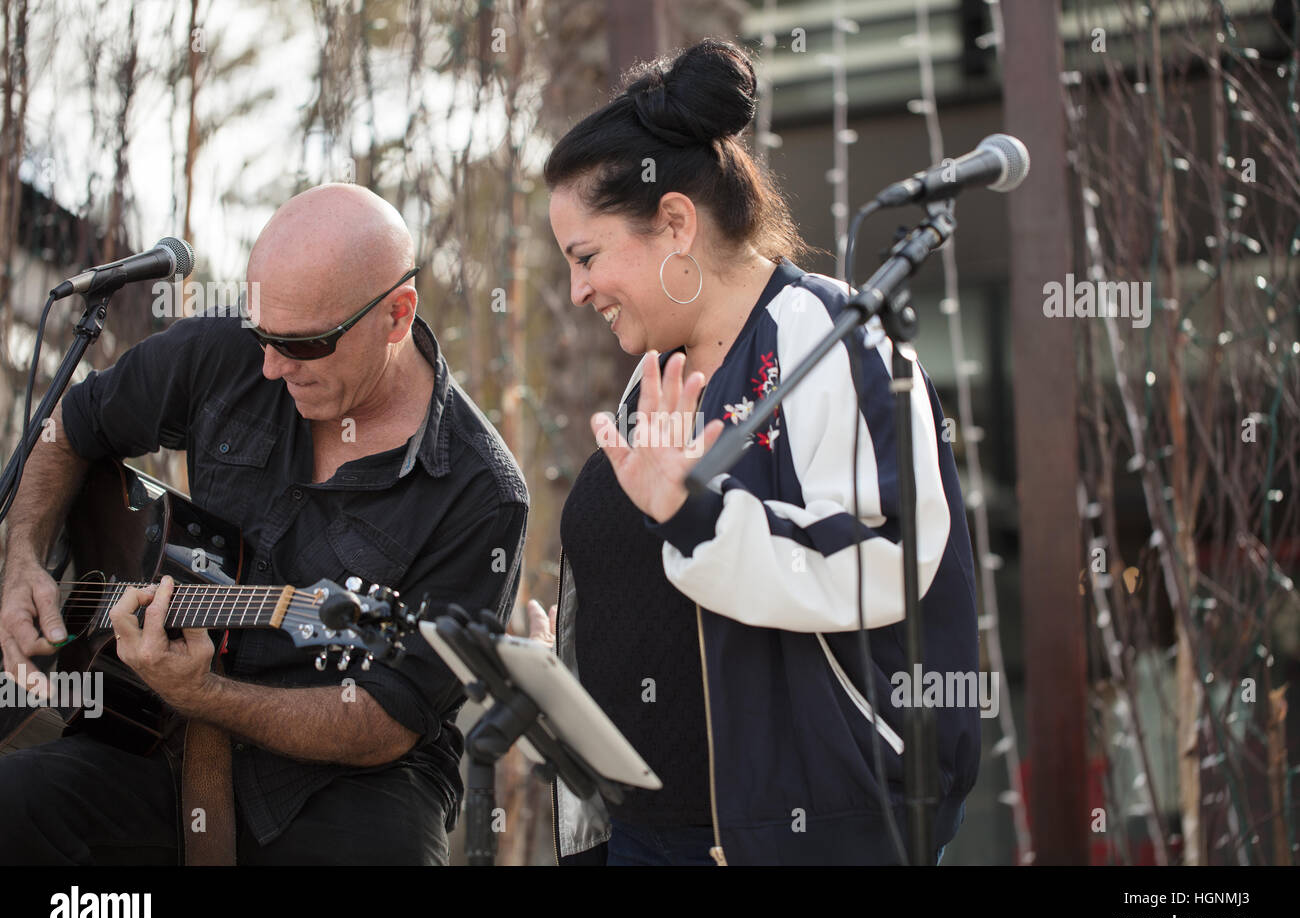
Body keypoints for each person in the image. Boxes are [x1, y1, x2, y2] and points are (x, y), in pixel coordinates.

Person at [529, 38, 979, 865]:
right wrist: (571, 660)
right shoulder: (651, 380)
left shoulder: (828, 337)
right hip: (637, 833)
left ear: (673, 222)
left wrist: (696, 514)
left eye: (586, 258)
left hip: (800, 835)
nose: (578, 291)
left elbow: (890, 553)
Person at [0, 183, 528, 864]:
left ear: (396, 316)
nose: (272, 365)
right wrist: (23, 561)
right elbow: (63, 430)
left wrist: (209, 693)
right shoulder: (230, 350)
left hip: (345, 777)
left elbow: (387, 720)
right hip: (151, 720)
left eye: (303, 345)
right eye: (264, 335)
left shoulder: (481, 494)